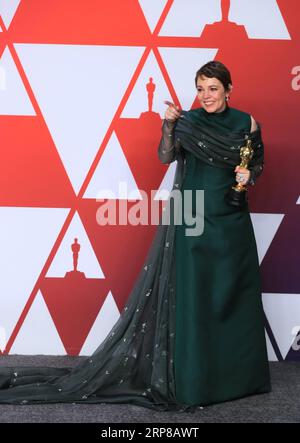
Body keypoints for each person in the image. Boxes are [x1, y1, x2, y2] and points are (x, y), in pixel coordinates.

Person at [0, 61, 270, 411]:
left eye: (213, 88)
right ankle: (196, 381)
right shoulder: (189, 120)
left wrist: (249, 176)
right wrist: (170, 126)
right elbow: (165, 156)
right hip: (193, 219)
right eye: (200, 88)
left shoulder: (247, 124)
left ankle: (238, 379)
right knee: (196, 299)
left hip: (232, 219)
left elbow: (258, 165)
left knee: (231, 295)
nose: (205, 96)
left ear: (229, 90)